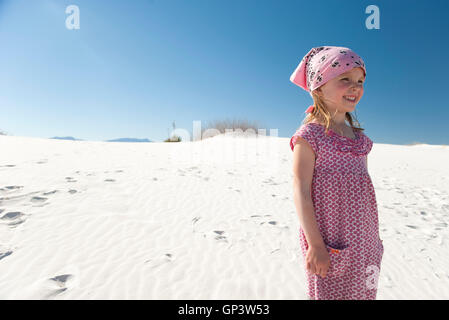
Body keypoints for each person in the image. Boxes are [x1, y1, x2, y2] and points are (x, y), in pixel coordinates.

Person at [289, 46, 384, 300]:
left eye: (360, 81)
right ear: (319, 87)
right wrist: (316, 245)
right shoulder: (309, 136)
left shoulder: (359, 140)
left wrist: (374, 241)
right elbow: (300, 191)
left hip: (364, 245)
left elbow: (363, 192)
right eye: (345, 79)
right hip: (329, 243)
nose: (355, 87)